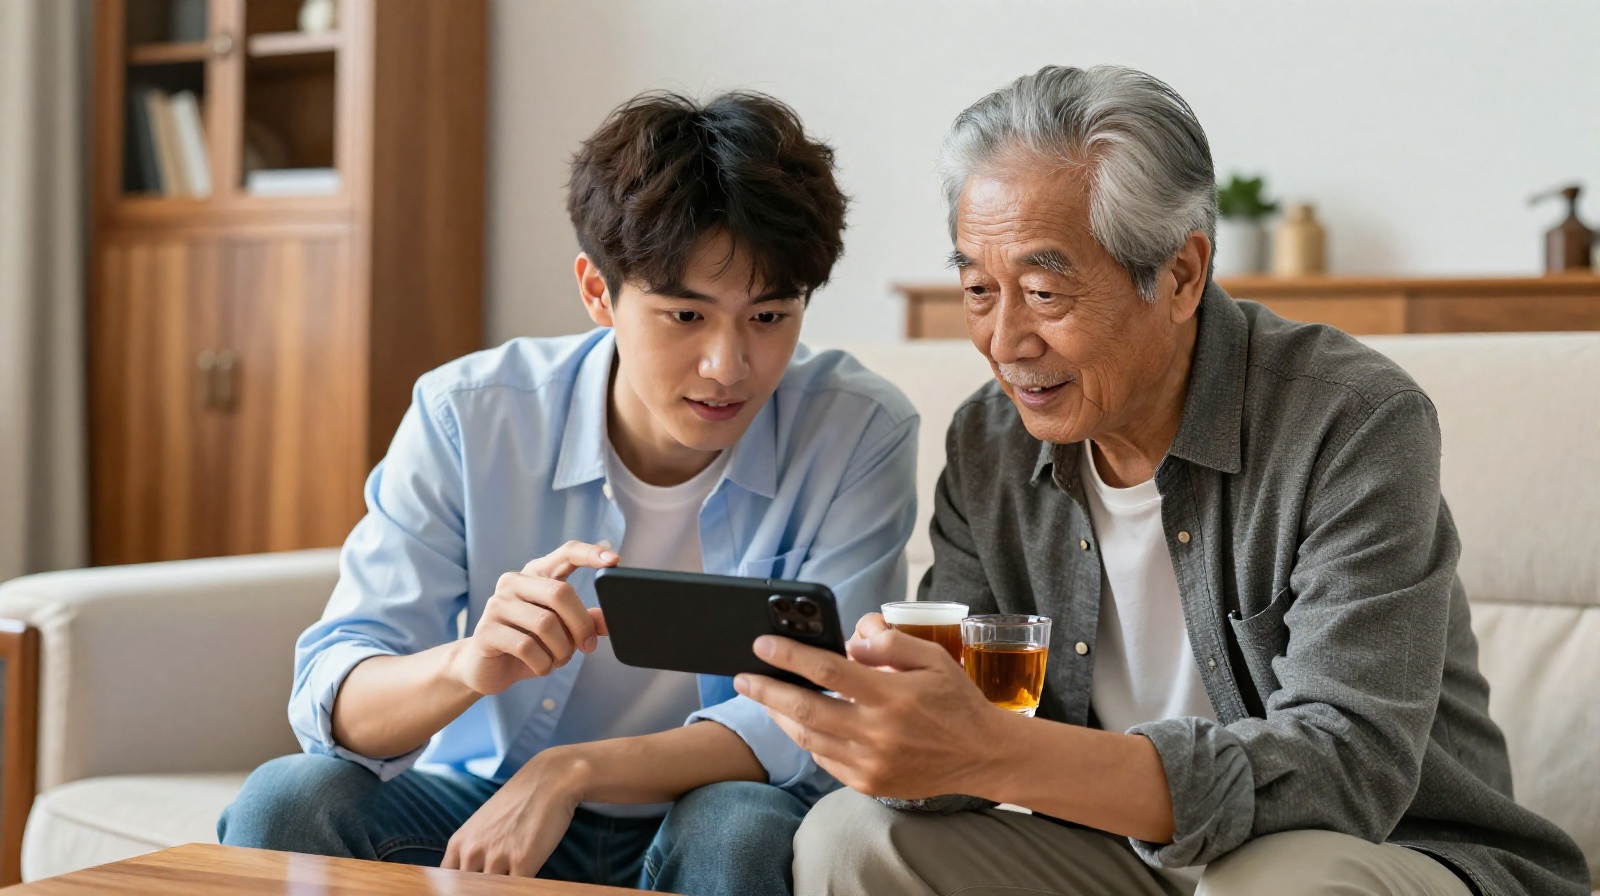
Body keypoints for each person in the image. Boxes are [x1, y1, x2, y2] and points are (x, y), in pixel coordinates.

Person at [738, 65, 1590, 896]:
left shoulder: (1351, 421)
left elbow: (1348, 768)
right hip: (1118, 854)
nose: (1003, 341)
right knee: (851, 839)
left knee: (1277, 879)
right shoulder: (989, 441)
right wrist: (897, 736)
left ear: (1180, 274)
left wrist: (993, 753)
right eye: (976, 289)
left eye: (1041, 290)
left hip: (1377, 854)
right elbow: (960, 739)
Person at [218, 90, 918, 896]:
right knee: (288, 800)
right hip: (480, 798)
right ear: (598, 292)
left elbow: (816, 715)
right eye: (685, 314)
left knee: (739, 825)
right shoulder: (470, 415)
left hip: (702, 804)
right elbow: (335, 702)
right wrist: (468, 665)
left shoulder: (858, 430)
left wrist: (573, 770)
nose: (729, 364)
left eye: (769, 315)